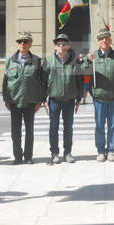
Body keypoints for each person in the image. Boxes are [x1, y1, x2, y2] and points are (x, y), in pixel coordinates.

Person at [84, 28, 114, 162]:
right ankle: (101, 151)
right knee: (99, 125)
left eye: (107, 38)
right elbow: (83, 73)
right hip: (99, 98)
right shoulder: (93, 57)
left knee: (113, 125)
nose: (104, 40)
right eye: (101, 38)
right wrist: (87, 60)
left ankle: (110, 150)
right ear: (98, 41)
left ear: (110, 40)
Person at [2, 31, 45, 165]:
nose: (22, 44)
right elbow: (5, 81)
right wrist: (6, 99)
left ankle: (28, 156)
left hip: (30, 101)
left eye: (25, 41)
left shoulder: (37, 61)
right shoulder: (10, 60)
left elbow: (42, 82)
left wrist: (40, 100)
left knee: (29, 131)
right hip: (14, 101)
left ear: (30, 44)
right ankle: (18, 157)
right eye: (20, 42)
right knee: (15, 132)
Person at [42, 33, 83, 165]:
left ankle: (67, 152)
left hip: (69, 100)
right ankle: (54, 153)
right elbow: (42, 81)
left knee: (68, 127)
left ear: (68, 46)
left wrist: (79, 99)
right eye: (59, 44)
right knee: (53, 127)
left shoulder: (75, 61)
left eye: (64, 44)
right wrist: (44, 100)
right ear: (55, 47)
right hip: (54, 99)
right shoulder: (48, 61)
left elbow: (79, 80)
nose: (61, 46)